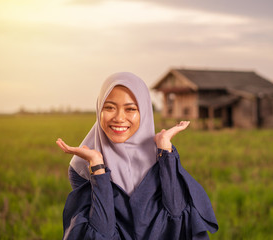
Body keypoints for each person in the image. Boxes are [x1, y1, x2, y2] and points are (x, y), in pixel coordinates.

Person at [56, 72, 218, 240]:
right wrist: (98, 168)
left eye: (131, 109)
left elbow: (176, 220)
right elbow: (101, 233)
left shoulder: (162, 156)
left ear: (145, 112)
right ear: (99, 110)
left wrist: (164, 149)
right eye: (109, 107)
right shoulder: (81, 168)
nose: (119, 118)